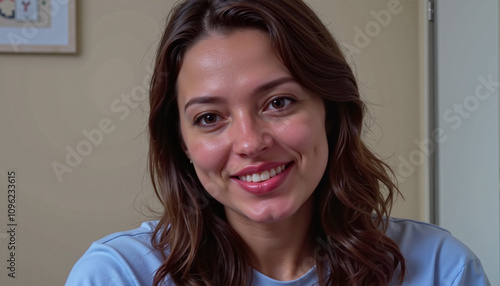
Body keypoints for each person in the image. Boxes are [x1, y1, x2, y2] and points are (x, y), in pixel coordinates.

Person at [66, 0, 491, 285]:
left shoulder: (441, 269)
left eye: (279, 102)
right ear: (181, 142)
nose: (250, 143)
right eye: (210, 118)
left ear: (330, 111)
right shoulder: (117, 275)